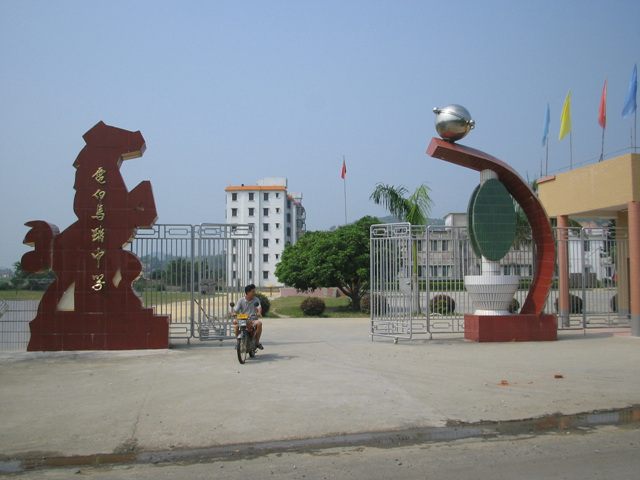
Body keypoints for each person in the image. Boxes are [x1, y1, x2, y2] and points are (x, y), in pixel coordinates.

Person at [233, 284, 264, 349]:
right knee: (236, 326)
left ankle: (257, 342)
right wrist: (234, 313)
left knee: (259, 324)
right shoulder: (241, 300)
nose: (254, 293)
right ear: (248, 292)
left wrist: (259, 312)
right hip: (243, 320)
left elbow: (259, 307)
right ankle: (238, 343)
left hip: (253, 319)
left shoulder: (256, 299)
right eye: (252, 292)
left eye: (254, 292)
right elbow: (236, 309)